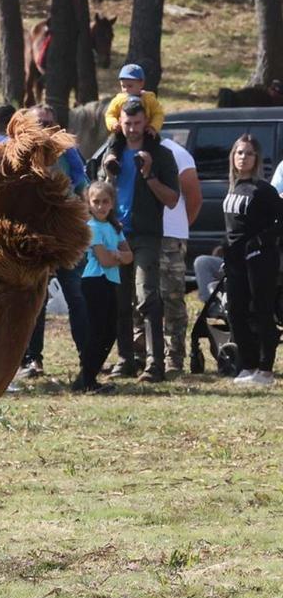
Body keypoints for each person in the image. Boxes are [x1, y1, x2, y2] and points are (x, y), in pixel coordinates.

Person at [97, 98, 179, 383]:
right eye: (127, 123)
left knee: (147, 296)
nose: (132, 129)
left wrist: (149, 174)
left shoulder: (161, 154)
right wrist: (107, 172)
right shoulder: (112, 150)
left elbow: (172, 199)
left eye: (137, 123)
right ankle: (125, 359)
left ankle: (155, 363)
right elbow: (96, 194)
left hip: (145, 235)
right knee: (120, 301)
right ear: (119, 123)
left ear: (147, 123)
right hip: (117, 234)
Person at [14, 105, 89, 380]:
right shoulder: (20, 154)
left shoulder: (68, 152)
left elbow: (83, 187)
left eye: (48, 123)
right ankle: (32, 360)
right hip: (33, 234)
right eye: (39, 123)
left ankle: (87, 357)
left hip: (64, 233)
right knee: (36, 299)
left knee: (77, 296)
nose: (44, 128)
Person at [222, 135, 283, 386]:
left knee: (262, 311)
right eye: (239, 152)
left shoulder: (264, 190)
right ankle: (247, 365)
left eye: (248, 153)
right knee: (236, 311)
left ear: (256, 158)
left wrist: (260, 242)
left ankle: (265, 370)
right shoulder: (234, 187)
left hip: (259, 260)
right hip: (235, 260)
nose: (243, 157)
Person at [72, 181, 133, 393]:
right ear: (88, 204)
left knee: (109, 332)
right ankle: (86, 379)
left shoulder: (115, 227)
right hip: (95, 281)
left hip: (110, 281)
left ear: (112, 203)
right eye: (95, 202)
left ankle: (88, 377)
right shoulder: (92, 228)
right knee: (98, 332)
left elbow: (129, 255)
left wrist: (118, 255)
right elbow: (105, 260)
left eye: (105, 202)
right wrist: (118, 256)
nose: (100, 206)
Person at [157, 135, 202, 374]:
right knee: (140, 299)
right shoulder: (123, 148)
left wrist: (179, 229)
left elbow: (194, 199)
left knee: (172, 298)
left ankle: (174, 357)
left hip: (170, 237)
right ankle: (140, 355)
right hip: (138, 236)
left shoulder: (176, 153)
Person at [102, 64, 166, 162]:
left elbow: (158, 114)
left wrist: (153, 127)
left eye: (130, 86)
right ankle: (113, 159)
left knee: (153, 141)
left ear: (141, 84)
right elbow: (110, 114)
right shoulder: (119, 99)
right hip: (123, 131)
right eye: (123, 86)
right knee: (114, 141)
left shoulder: (149, 99)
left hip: (146, 130)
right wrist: (113, 124)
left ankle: (145, 157)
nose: (126, 90)